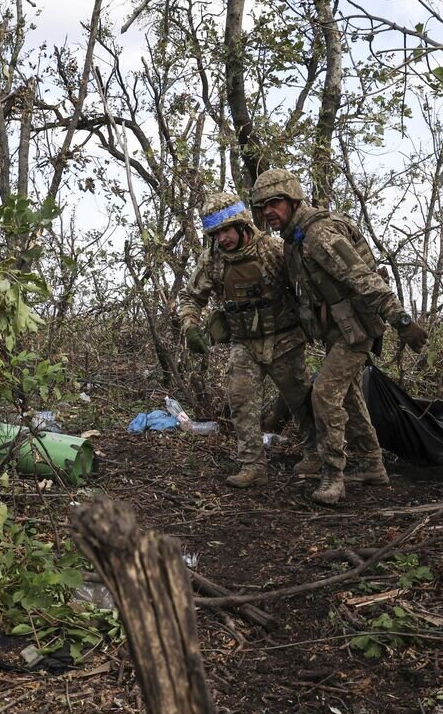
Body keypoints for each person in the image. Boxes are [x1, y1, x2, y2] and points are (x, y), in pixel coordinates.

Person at [254, 169, 427, 505]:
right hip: (337, 328)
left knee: (324, 394)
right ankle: (373, 466)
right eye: (262, 208)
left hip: (357, 328)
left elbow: (364, 279)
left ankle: (334, 476)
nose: (268, 212)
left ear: (291, 199)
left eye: (274, 203)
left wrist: (402, 320)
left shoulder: (318, 234)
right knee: (348, 396)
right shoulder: (293, 240)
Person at [178, 192, 319, 488]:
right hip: (244, 342)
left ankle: (314, 454)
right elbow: (191, 297)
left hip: (284, 339)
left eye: (226, 230)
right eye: (216, 234)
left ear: (242, 225)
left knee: (300, 401)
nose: (222, 239)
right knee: (241, 401)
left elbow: (307, 284)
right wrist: (190, 325)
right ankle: (252, 464)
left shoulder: (273, 250)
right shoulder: (213, 260)